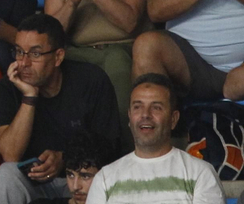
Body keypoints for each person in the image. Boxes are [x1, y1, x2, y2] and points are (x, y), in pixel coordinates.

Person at [0, 13, 121, 204]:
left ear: (58, 56)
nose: (23, 63)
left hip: (84, 181)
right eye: (19, 52)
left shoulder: (91, 80)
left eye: (35, 54)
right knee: (5, 174)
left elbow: (110, 147)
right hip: (35, 185)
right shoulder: (5, 89)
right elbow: (10, 155)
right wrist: (29, 97)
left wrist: (65, 159)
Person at [82, 74, 223, 204]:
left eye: (156, 107)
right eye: (137, 107)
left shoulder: (200, 173)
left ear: (173, 119)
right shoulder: (105, 179)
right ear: (130, 117)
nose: (145, 115)